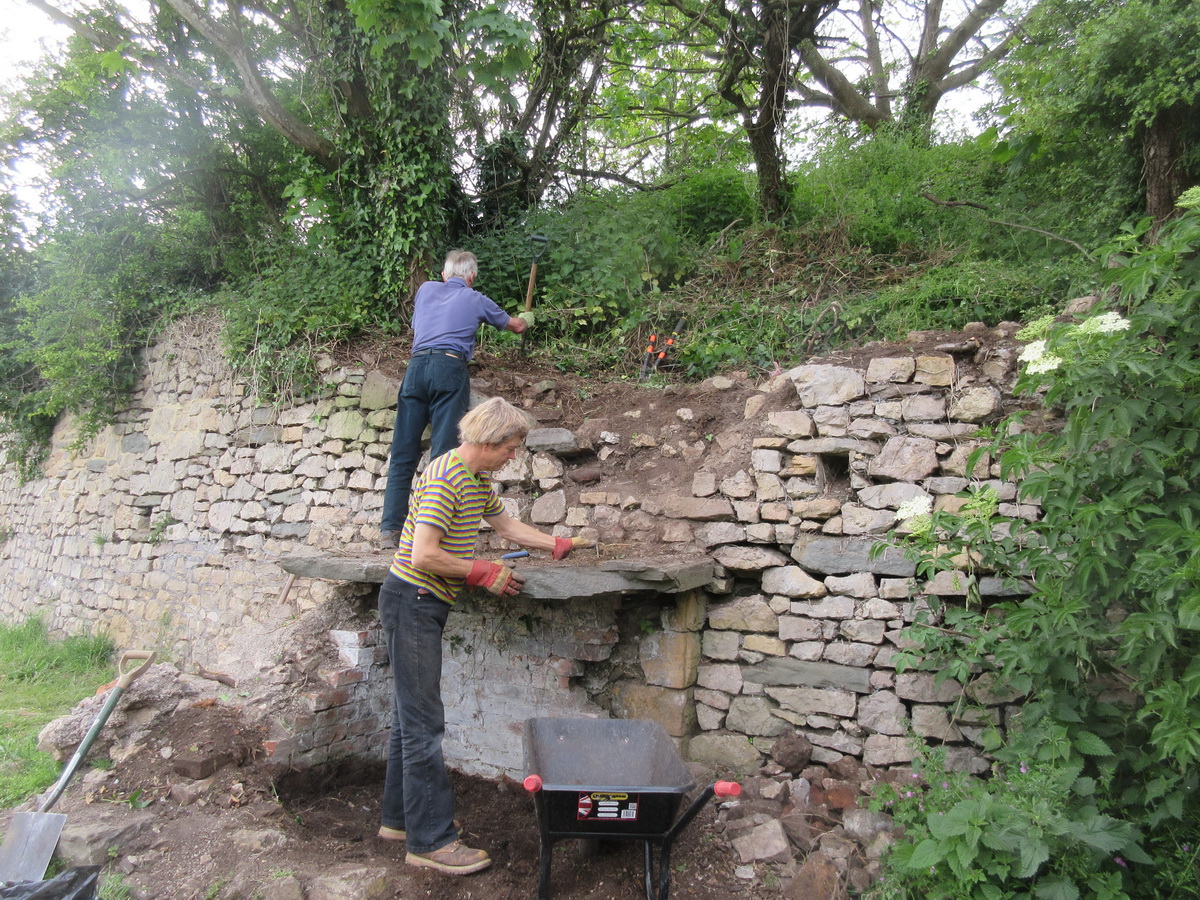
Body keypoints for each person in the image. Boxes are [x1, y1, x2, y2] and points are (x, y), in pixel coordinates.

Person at [377, 396, 593, 875]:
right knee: (423, 724)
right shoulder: (445, 478)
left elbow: (505, 524)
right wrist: (482, 571)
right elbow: (423, 555)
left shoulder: (474, 479)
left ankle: (399, 821)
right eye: (511, 448)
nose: (513, 457)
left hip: (422, 603)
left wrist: (556, 543)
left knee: (409, 718)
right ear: (489, 442)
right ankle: (431, 842)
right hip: (412, 600)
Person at [380, 250, 528, 549]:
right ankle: (429, 536)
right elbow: (516, 326)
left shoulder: (425, 289)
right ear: (472, 277)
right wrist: (526, 319)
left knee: (403, 452)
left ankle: (390, 531)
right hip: (449, 367)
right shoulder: (475, 298)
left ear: (444, 275)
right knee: (443, 454)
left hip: (415, 368)